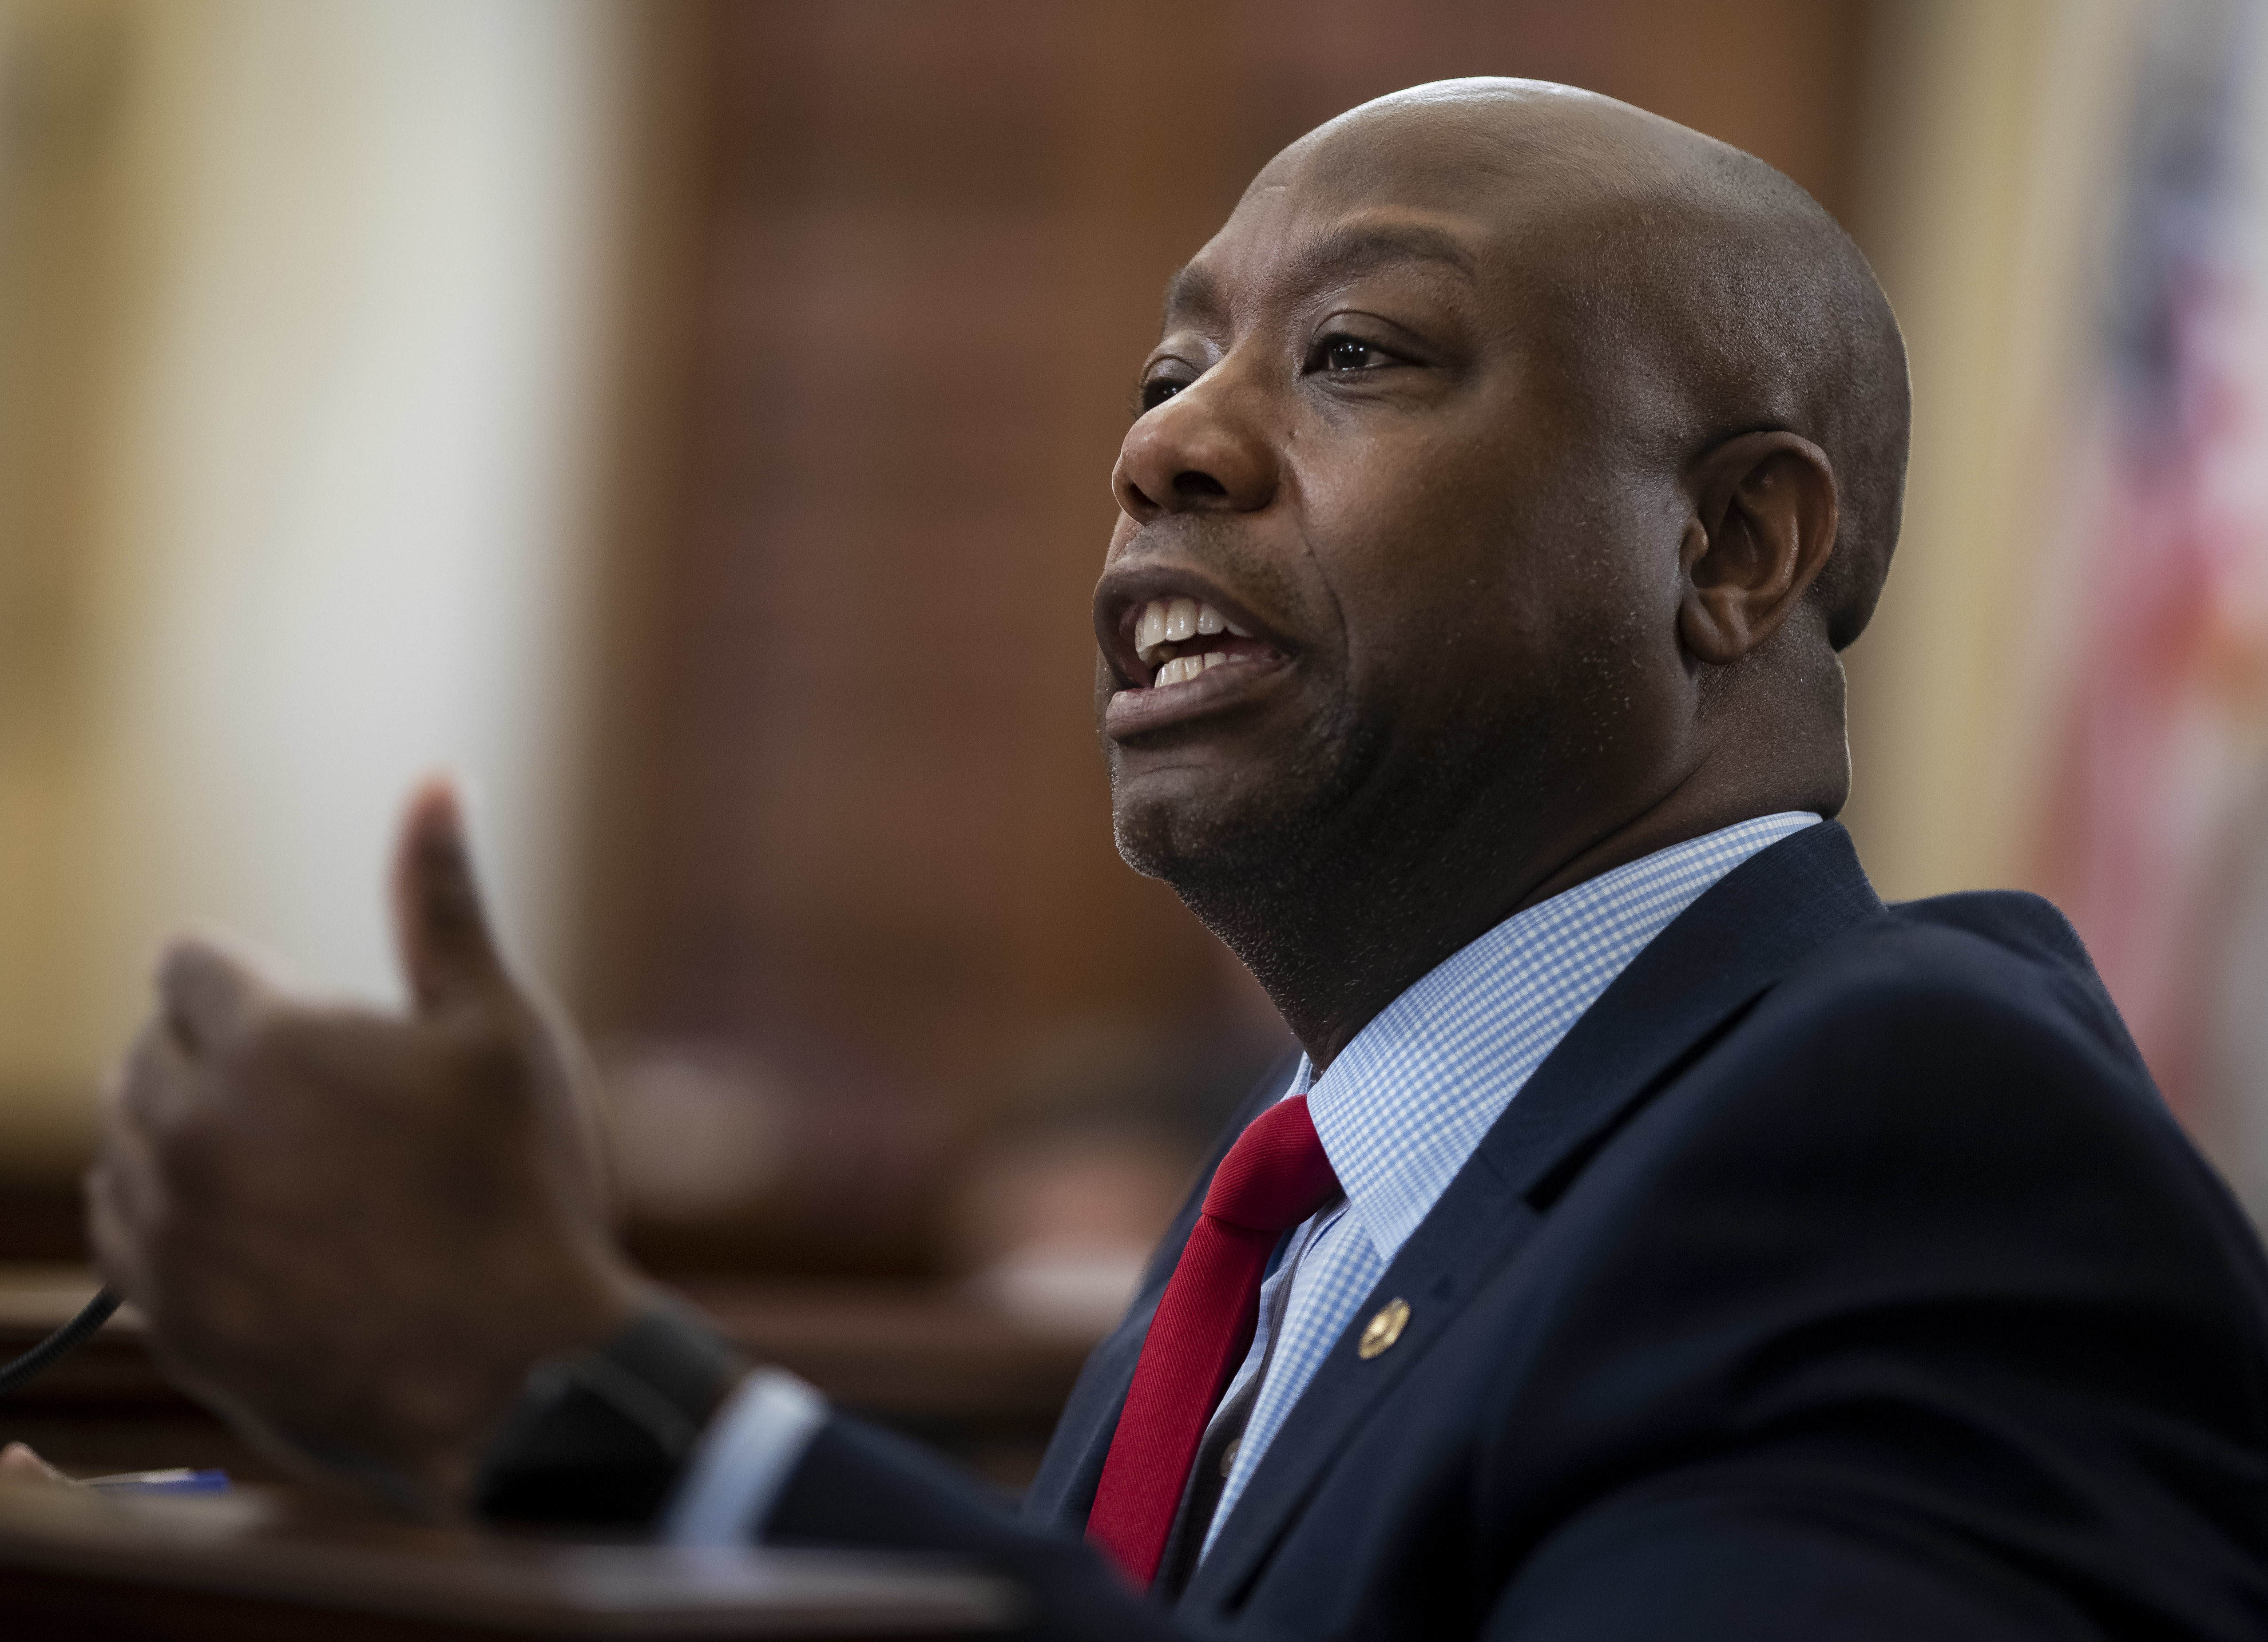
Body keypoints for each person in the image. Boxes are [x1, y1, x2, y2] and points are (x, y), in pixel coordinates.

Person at [75, 79, 2268, 1638]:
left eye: (1353, 355)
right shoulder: (1307, 1201)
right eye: (1165, 363)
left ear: (1725, 544)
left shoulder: (1898, 1139)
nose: (1159, 442)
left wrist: (606, 1402)